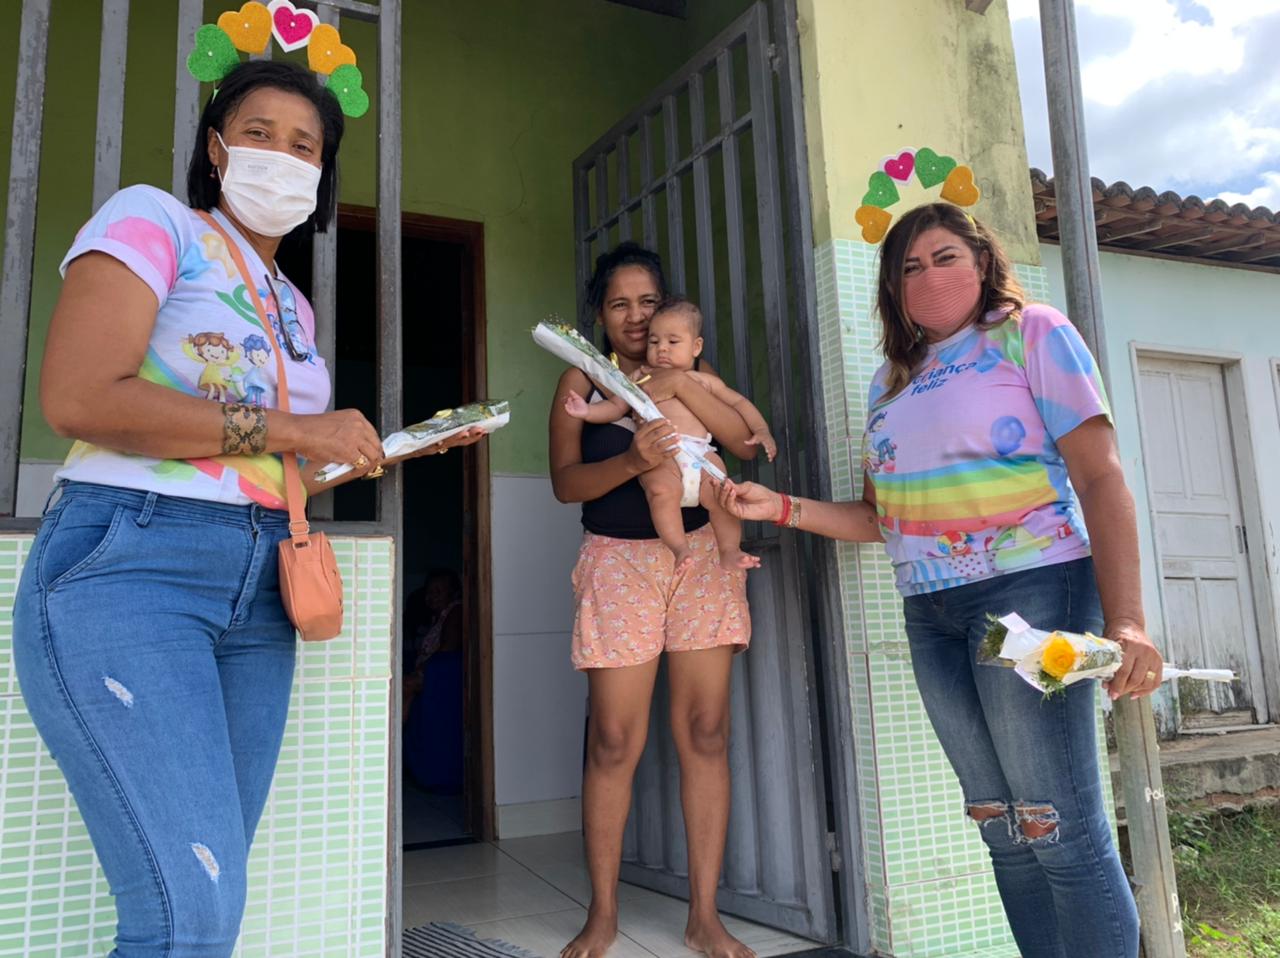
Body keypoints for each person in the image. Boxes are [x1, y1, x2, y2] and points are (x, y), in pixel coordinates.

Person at [11, 60, 484, 957]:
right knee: (184, 920)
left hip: (263, 587)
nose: (281, 157)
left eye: (305, 146)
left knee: (211, 905)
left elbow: (268, 465)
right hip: (134, 566)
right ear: (216, 148)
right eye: (259, 134)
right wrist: (297, 426)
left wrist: (389, 448)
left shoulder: (294, 307)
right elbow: (78, 396)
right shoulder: (156, 221)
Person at [717, 202, 1161, 958]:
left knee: (1057, 827)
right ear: (892, 288)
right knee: (1002, 829)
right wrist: (781, 507)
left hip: (1032, 591)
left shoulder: (1031, 332)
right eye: (910, 267)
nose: (929, 276)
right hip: (930, 611)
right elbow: (881, 517)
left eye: (946, 256)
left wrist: (1127, 619)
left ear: (982, 262)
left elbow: (1100, 476)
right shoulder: (890, 383)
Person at [549, 243, 759, 958]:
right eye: (619, 303)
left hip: (702, 554)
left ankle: (705, 917)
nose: (636, 316)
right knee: (613, 740)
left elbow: (744, 445)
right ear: (600, 315)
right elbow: (566, 484)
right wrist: (631, 460)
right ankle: (602, 912)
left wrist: (686, 386)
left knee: (706, 731)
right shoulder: (584, 378)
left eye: (647, 302)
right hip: (618, 562)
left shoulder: (693, 371)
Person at [564, 296, 775, 572]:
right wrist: (587, 411)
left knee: (723, 496)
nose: (661, 348)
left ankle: (729, 550)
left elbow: (739, 403)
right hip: (662, 456)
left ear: (696, 347)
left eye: (673, 342)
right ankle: (679, 548)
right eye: (654, 342)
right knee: (661, 493)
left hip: (701, 453)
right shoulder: (639, 378)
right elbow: (615, 408)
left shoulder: (702, 380)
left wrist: (761, 430)